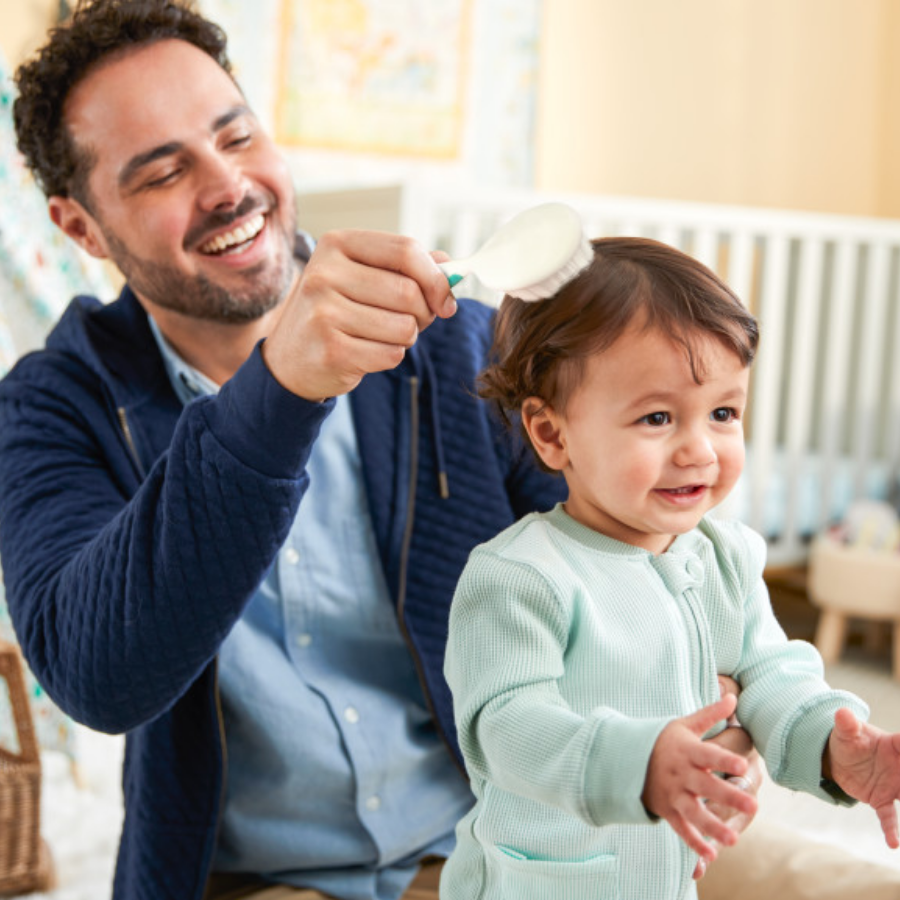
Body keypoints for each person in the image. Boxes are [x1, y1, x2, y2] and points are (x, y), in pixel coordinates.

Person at [0, 2, 893, 900]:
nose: (229, 186)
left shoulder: (459, 345)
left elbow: (651, 571)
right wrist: (281, 390)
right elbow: (97, 677)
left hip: (563, 826)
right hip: (282, 879)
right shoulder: (52, 407)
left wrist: (766, 722)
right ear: (80, 227)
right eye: (163, 172)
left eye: (237, 137)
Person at [439, 236, 900, 900]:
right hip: (537, 884)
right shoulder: (519, 576)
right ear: (551, 433)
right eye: (657, 417)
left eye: (723, 413)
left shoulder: (726, 556)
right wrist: (638, 761)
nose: (699, 450)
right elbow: (505, 728)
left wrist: (834, 746)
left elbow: (772, 677)